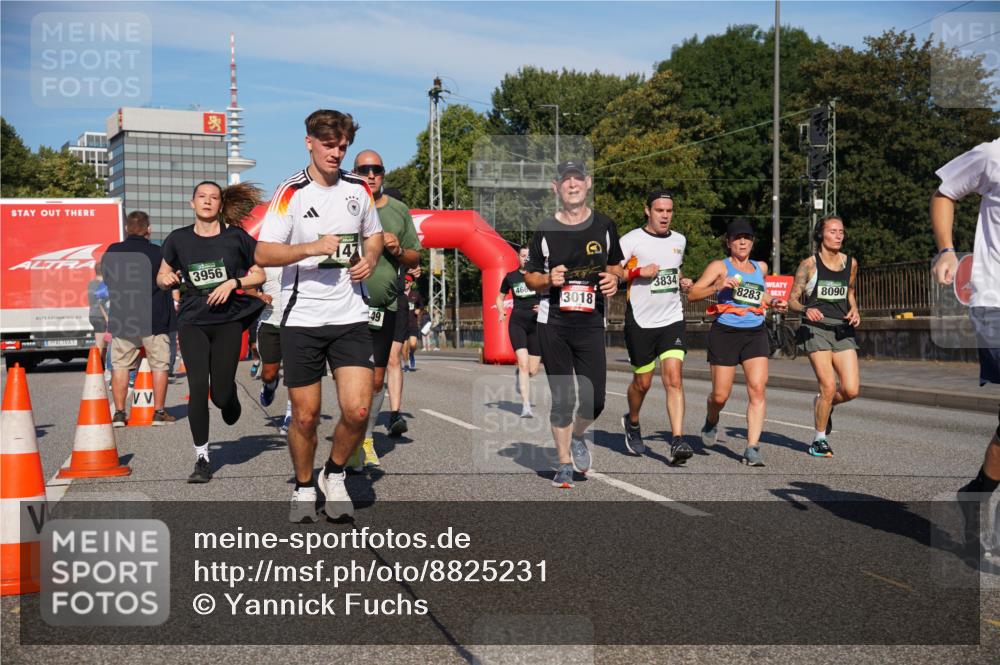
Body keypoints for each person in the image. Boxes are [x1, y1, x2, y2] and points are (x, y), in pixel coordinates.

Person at [255, 109, 383, 523]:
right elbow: (264, 252)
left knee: (358, 410)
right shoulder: (290, 192)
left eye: (342, 146)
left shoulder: (358, 189)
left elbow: (374, 234)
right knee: (307, 416)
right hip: (302, 318)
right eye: (329, 145)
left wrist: (370, 258)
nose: (337, 153)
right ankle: (305, 485)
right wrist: (311, 248)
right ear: (309, 142)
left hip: (349, 314)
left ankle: (336, 473)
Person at [158, 182, 266, 483]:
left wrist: (233, 283)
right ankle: (202, 458)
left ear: (221, 204)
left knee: (219, 394)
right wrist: (166, 278)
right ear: (192, 203)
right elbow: (162, 275)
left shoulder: (236, 237)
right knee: (196, 386)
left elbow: (260, 273)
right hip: (193, 321)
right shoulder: (177, 239)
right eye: (202, 197)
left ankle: (230, 398)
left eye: (213, 197)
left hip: (228, 320)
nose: (207, 202)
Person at [523, 160, 622, 489]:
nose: (573, 184)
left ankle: (578, 435)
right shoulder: (545, 229)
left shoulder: (605, 226)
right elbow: (531, 276)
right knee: (563, 397)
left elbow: (616, 266)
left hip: (591, 322)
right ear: (556, 187)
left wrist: (614, 279)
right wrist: (547, 279)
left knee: (597, 400)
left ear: (588, 182)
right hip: (554, 323)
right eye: (566, 180)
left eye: (578, 178)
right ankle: (564, 462)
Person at [932, 138, 1000, 552]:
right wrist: (947, 250)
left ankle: (977, 492)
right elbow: (944, 193)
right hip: (995, 300)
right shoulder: (993, 155)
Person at [687, 217, 788, 467]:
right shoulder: (719, 267)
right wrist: (717, 286)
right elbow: (692, 294)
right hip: (725, 333)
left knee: (757, 389)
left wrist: (773, 301)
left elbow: (760, 293)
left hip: (754, 333)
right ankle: (712, 419)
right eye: (737, 238)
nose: (742, 242)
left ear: (752, 242)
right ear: (729, 242)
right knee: (721, 395)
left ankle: (752, 447)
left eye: (747, 238)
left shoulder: (760, 267)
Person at [347, 149, 421, 470]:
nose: (371, 174)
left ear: (383, 173)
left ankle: (365, 438)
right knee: (351, 377)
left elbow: (416, 258)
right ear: (355, 172)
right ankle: (352, 438)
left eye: (377, 169)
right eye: (365, 169)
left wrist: (398, 250)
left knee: (377, 380)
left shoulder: (399, 211)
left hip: (385, 307)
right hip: (347, 306)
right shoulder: (342, 204)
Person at [619, 190, 694, 463]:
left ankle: (677, 440)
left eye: (669, 211)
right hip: (640, 321)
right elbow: (612, 272)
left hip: (671, 318)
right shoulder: (630, 240)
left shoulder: (679, 240)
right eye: (660, 210)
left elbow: (675, 269)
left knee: (673, 378)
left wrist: (683, 280)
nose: (665, 215)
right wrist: (638, 272)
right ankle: (633, 421)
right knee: (643, 382)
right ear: (647, 211)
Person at [788, 215, 861, 458]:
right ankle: (819, 439)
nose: (839, 235)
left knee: (851, 389)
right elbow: (792, 300)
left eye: (841, 231)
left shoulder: (850, 263)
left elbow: (849, 292)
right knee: (829, 386)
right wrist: (806, 308)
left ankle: (823, 404)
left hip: (842, 330)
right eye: (833, 231)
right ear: (821, 234)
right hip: (815, 329)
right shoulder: (809, 264)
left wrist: (854, 309)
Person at [102, 211, 176, 427]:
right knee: (159, 366)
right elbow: (170, 280)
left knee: (121, 366)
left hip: (124, 318)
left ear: (127, 228)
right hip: (155, 318)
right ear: (148, 229)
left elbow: (108, 281)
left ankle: (119, 414)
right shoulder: (158, 252)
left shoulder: (112, 251)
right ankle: (159, 412)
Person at [496, 246, 542, 418]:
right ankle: (526, 406)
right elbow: (499, 297)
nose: (526, 259)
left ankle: (522, 374)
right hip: (518, 322)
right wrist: (501, 311)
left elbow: (551, 295)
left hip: (536, 324)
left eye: (529, 256)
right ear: (518, 258)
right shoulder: (511, 277)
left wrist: (543, 307)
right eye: (523, 256)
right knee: (523, 364)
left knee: (533, 370)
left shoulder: (539, 276)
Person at [256, 266, 293, 435]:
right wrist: (259, 295)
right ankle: (270, 386)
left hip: (298, 322)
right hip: (270, 321)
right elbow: (248, 285)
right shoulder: (265, 258)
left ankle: (290, 415)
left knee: (296, 374)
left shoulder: (300, 252)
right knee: (269, 373)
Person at [86, 260, 110, 378]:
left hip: (93, 315)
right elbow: (103, 303)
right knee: (101, 344)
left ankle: (103, 367)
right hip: (102, 317)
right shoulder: (103, 285)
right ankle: (98, 368)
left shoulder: (91, 284)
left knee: (103, 345)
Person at [403, 275, 423, 371]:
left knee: (413, 344)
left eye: (406, 282)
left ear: (410, 283)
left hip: (413, 324)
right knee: (404, 347)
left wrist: (419, 310)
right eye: (403, 282)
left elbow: (421, 306)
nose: (405, 284)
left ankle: (411, 354)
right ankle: (406, 364)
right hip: (401, 324)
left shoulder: (416, 294)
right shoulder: (399, 295)